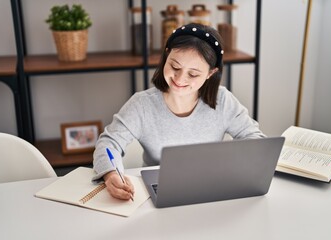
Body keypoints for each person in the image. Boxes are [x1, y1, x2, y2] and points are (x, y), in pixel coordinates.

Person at [92, 23, 265, 200]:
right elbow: (108, 143)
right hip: (157, 193)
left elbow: (256, 141)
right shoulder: (142, 105)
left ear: (210, 73)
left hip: (210, 188)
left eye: (193, 74)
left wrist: (229, 166)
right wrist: (111, 174)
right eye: (175, 67)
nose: (180, 79)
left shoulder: (223, 101)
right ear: (167, 55)